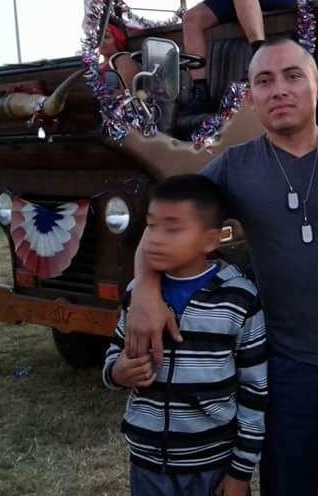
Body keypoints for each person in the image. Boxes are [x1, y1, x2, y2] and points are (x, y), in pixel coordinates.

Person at [125, 37, 318, 496]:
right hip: (288, 371)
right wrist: (146, 291)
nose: (279, 90)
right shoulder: (235, 168)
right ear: (250, 97)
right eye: (264, 81)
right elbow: (164, 225)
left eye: (293, 76)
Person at [102, 174, 266, 496]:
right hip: (148, 464)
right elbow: (113, 355)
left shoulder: (239, 299)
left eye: (173, 228)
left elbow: (255, 391)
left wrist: (241, 472)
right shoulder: (138, 294)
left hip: (213, 467)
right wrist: (117, 372)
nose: (156, 239)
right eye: (151, 226)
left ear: (210, 240)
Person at [99, 19, 140, 91]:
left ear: (117, 39)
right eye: (99, 37)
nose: (102, 41)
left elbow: (127, 93)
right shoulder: (96, 64)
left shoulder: (124, 59)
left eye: (106, 37)